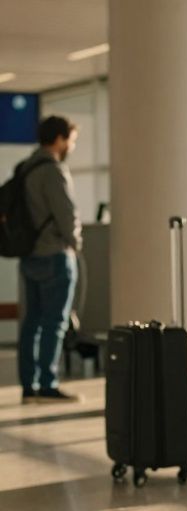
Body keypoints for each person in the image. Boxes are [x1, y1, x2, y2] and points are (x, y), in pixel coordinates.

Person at [18, 115, 82, 404]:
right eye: (71, 139)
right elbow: (66, 215)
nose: (72, 145)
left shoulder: (25, 168)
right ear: (58, 139)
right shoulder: (53, 170)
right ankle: (48, 384)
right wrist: (75, 243)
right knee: (54, 322)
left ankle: (28, 385)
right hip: (54, 254)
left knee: (31, 322)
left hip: (29, 255)